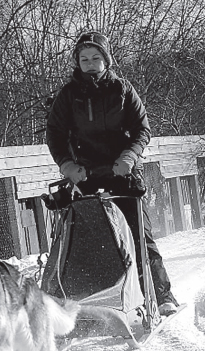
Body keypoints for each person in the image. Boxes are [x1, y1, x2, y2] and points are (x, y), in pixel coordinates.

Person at [46, 30, 178, 316]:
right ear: (77, 62)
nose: (90, 63)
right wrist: (68, 166)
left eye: (96, 58)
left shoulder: (122, 89)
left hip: (123, 172)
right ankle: (91, 302)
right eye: (84, 59)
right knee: (90, 239)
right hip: (86, 174)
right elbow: (55, 134)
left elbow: (143, 129)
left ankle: (161, 294)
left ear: (106, 60)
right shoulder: (68, 96)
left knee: (138, 234)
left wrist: (129, 156)